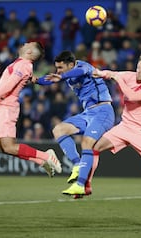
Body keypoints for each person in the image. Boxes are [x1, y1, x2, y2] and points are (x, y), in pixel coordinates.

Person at [66, 53, 141, 229]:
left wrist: (117, 78)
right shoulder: (129, 75)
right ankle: (87, 184)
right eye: (138, 67)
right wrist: (94, 72)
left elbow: (132, 96)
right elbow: (107, 73)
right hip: (125, 127)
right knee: (93, 147)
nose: (139, 71)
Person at [0, 42, 61, 177]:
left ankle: (46, 156)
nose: (25, 43)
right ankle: (42, 161)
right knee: (4, 149)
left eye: (29, 44)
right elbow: (7, 88)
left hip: (7, 108)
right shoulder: (19, 63)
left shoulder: (24, 65)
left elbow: (9, 87)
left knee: (9, 146)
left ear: (30, 52)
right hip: (1, 106)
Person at [34, 50, 115, 190]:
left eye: (61, 68)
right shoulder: (65, 75)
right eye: (57, 68)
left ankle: (80, 185)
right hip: (88, 113)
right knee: (59, 130)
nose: (58, 71)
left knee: (86, 142)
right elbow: (48, 80)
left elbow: (81, 71)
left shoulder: (84, 66)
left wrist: (62, 77)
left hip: (103, 111)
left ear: (71, 64)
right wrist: (35, 80)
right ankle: (77, 164)